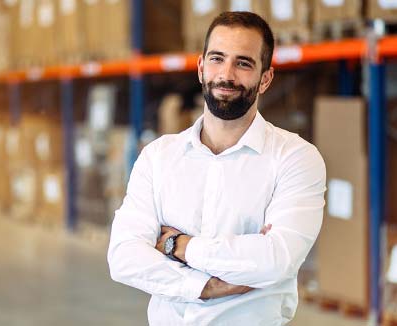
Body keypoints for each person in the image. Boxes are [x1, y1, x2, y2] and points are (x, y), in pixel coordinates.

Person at [107, 11, 326, 325]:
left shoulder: (295, 159)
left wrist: (178, 246)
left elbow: (277, 259)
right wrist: (205, 287)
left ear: (265, 78)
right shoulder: (158, 157)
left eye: (243, 63)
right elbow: (124, 257)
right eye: (217, 58)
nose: (226, 74)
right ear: (200, 67)